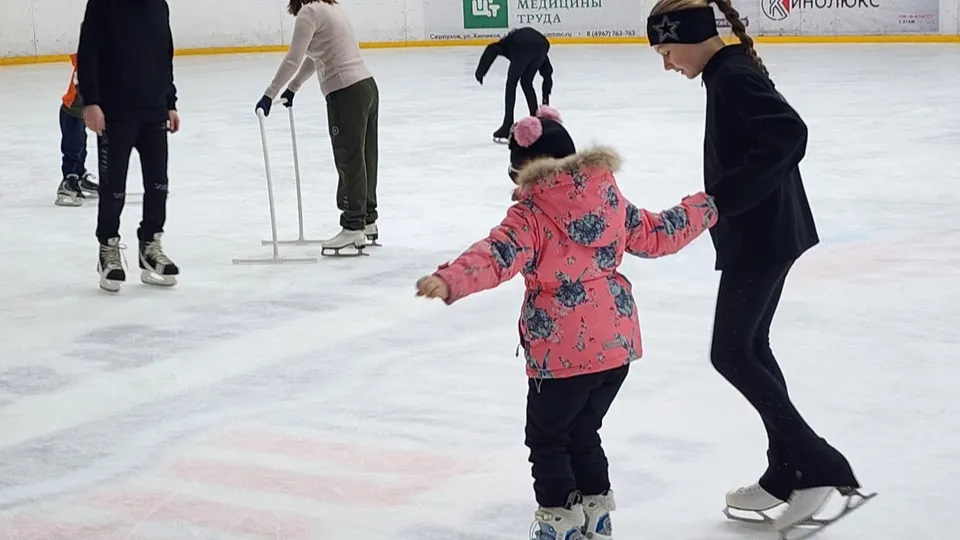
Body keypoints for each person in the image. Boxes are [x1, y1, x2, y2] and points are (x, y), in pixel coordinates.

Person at [415, 106, 718, 540]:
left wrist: (449, 280)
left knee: (547, 439)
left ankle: (558, 521)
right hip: (615, 346)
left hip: (561, 353)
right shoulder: (609, 196)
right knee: (582, 430)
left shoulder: (532, 214)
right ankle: (596, 513)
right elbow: (656, 234)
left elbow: (496, 256)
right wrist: (704, 207)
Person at [644, 0, 874, 535]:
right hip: (768, 232)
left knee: (730, 352)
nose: (667, 64)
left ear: (688, 35)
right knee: (750, 348)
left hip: (763, 235)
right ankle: (785, 469)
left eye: (666, 50)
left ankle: (817, 465)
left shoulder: (731, 77)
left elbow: (790, 133)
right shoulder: (726, 72)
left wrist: (724, 198)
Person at [255, 0, 380, 257]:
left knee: (349, 158)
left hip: (346, 93)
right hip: (366, 86)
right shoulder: (330, 8)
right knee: (365, 156)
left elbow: (293, 58)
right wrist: (293, 88)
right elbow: (315, 58)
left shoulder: (309, 12)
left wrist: (270, 94)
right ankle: (367, 219)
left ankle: (353, 225)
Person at [77, 0, 181, 292]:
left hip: (153, 111)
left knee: (158, 184)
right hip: (115, 113)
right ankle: (108, 248)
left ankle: (150, 245)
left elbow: (165, 56)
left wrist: (170, 102)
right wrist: (92, 102)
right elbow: (88, 53)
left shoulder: (158, 5)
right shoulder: (103, 4)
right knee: (113, 188)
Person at [474, 27, 554, 143]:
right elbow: (547, 72)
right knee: (526, 82)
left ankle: (507, 125)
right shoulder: (522, 42)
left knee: (512, 83)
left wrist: (480, 72)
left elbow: (492, 48)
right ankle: (537, 120)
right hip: (543, 44)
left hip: (523, 44)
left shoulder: (505, 44)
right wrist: (545, 100)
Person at [55, 52, 99, 207]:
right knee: (74, 147)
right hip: (71, 112)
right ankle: (69, 180)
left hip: (79, 113)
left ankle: (79, 176)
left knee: (81, 146)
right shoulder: (89, 60)